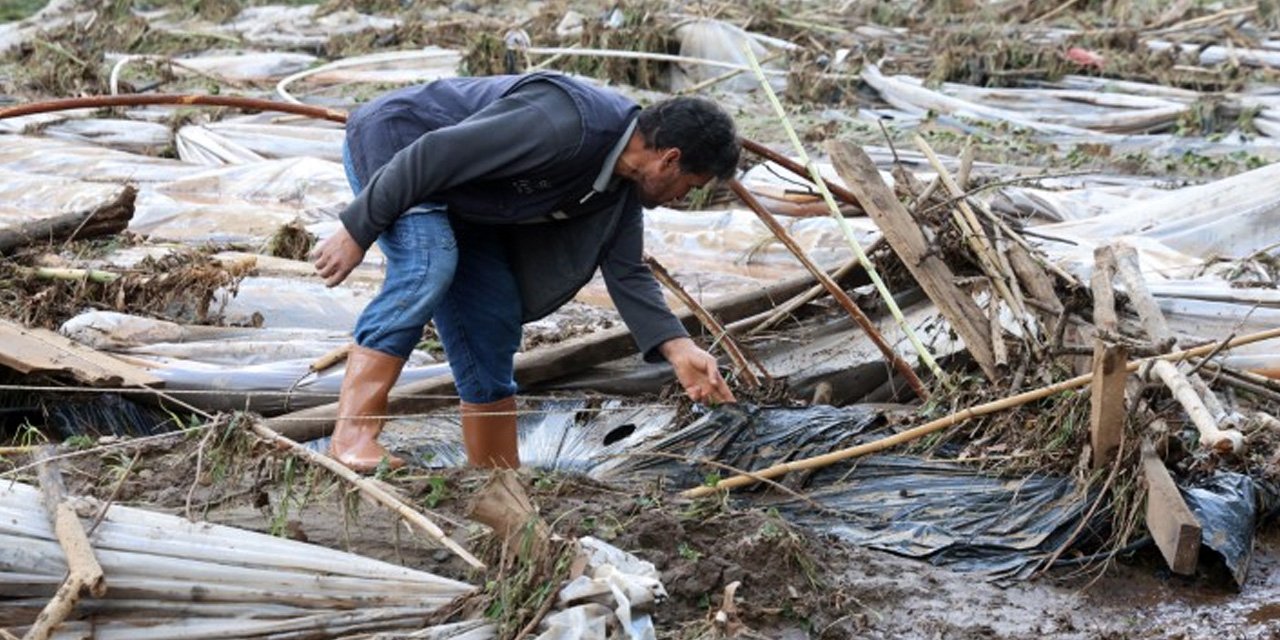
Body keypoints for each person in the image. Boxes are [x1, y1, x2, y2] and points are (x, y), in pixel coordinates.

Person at [313, 71, 740, 472]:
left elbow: (627, 271)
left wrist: (679, 349)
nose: (684, 199)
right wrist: (357, 228)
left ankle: (494, 472)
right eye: (692, 186)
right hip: (400, 149)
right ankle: (352, 436)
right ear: (670, 159)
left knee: (492, 313)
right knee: (429, 264)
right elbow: (434, 153)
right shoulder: (566, 124)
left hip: (467, 198)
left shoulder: (620, 188)